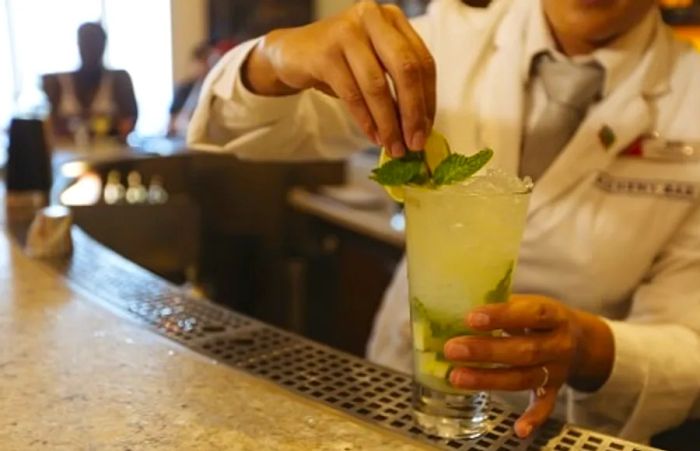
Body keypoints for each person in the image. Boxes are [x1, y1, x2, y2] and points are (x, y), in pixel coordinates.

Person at [187, 0, 700, 443]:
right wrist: (273, 58)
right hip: (401, 388)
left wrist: (590, 348)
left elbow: (689, 341)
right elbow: (238, 127)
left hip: (566, 423)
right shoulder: (446, 42)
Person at [43, 22, 137, 143]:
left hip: (112, 157)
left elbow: (127, 123)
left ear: (103, 46)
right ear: (79, 45)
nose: (91, 50)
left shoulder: (119, 80)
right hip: (67, 156)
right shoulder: (58, 83)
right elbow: (50, 127)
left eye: (95, 44)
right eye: (86, 43)